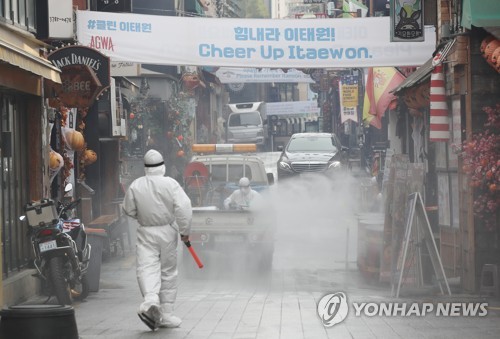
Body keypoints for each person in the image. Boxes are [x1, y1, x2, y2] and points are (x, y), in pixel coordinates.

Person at [123, 149, 192, 331]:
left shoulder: (136, 185)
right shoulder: (171, 184)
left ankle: (151, 301)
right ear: (163, 166)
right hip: (168, 232)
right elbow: (184, 208)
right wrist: (185, 232)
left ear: (145, 167)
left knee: (147, 267)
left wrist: (141, 215)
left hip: (146, 231)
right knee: (168, 272)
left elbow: (128, 209)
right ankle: (167, 314)